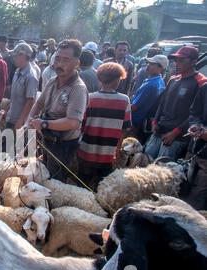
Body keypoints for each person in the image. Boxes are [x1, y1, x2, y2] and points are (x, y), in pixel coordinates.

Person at [26, 39, 88, 182]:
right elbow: (39, 103)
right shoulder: (52, 81)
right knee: (43, 174)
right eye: (58, 58)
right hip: (47, 139)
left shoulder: (77, 88)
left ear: (77, 63)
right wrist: (30, 119)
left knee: (54, 182)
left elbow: (73, 122)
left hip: (63, 146)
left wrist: (44, 124)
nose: (59, 64)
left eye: (65, 60)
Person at [145, 46, 207, 161]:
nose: (177, 64)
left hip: (177, 137)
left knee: (162, 172)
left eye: (181, 60)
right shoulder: (173, 79)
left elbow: (195, 115)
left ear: (194, 61)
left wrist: (175, 133)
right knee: (144, 162)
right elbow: (162, 103)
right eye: (176, 60)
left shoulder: (201, 83)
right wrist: (155, 121)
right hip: (159, 130)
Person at [77, 63, 131, 190]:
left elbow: (81, 125)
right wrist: (117, 149)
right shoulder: (124, 100)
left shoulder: (90, 98)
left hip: (86, 150)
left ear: (100, 79)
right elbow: (126, 128)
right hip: (108, 153)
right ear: (118, 80)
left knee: (82, 185)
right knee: (102, 187)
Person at [130, 55, 168, 143]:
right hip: (144, 121)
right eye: (148, 63)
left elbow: (134, 107)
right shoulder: (158, 81)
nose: (148, 65)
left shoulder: (151, 84)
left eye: (152, 64)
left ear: (160, 68)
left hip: (137, 122)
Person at [184, 84, 207, 210]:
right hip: (194, 150)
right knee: (183, 189)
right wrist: (195, 125)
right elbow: (194, 112)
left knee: (197, 199)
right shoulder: (205, 88)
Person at [7, 43, 39, 130]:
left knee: (14, 143)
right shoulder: (17, 71)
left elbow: (30, 101)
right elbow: (14, 96)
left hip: (19, 121)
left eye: (16, 56)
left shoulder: (31, 76)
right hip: (11, 117)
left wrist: (21, 121)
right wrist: (7, 110)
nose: (14, 59)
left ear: (23, 56)